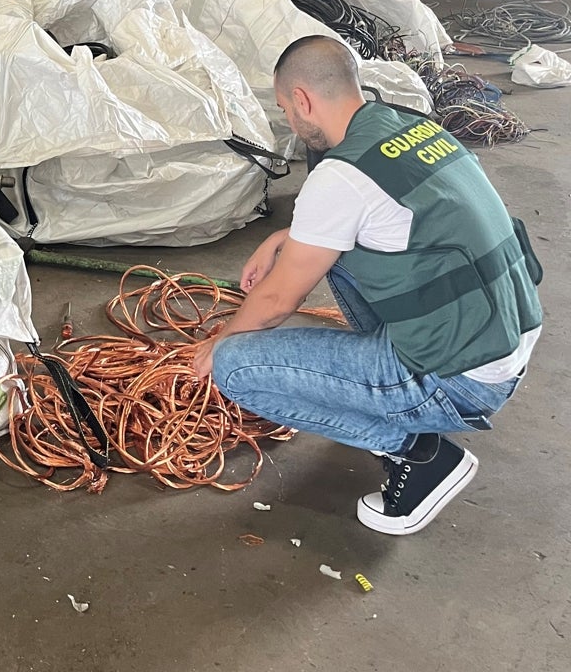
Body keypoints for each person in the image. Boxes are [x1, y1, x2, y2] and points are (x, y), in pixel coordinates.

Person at [192, 35, 542, 536]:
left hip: (462, 380)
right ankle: (385, 397)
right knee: (327, 255)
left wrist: (216, 343)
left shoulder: (340, 175)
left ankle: (420, 454)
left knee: (236, 367)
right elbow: (392, 216)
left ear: (304, 100)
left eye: (286, 108)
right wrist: (284, 236)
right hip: (503, 338)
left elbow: (275, 302)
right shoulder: (408, 127)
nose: (290, 121)